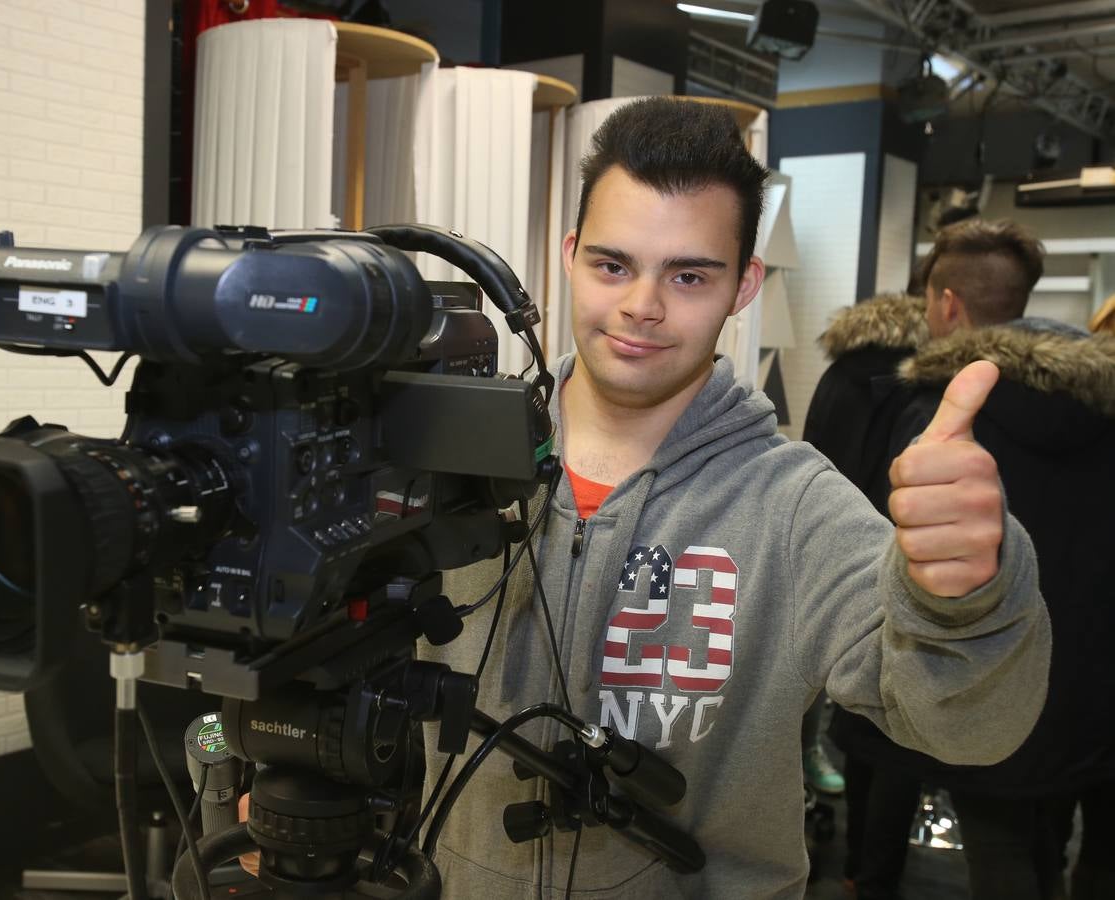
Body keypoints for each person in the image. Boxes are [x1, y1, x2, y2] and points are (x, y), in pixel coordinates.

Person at [415, 98, 1051, 899]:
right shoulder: (450, 465)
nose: (643, 305)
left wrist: (968, 596)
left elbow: (970, 728)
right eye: (614, 265)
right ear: (570, 255)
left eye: (688, 275)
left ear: (744, 285)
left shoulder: (794, 509)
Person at [874, 219, 1115, 900]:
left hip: (993, 684)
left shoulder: (936, 421)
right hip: (1096, 693)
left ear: (948, 304)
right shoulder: (1104, 405)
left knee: (1003, 863)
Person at [802, 290, 931, 900]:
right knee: (892, 727)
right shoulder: (914, 385)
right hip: (882, 556)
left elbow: (813, 456)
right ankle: (873, 875)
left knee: (833, 710)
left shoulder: (836, 375)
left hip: (818, 552)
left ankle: (854, 864)